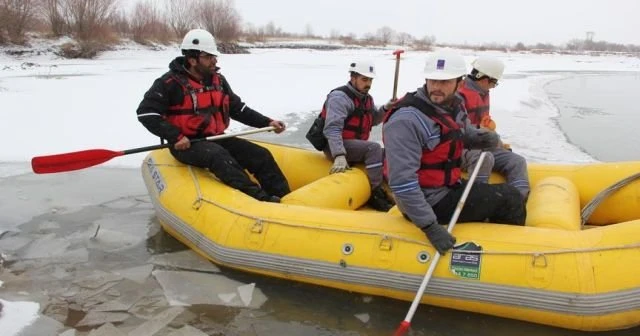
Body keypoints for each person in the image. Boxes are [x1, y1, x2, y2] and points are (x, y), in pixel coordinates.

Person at [382, 50, 526, 255]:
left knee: (501, 192)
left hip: (447, 187)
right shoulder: (407, 121)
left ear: (460, 83)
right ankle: (512, 254)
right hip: (428, 201)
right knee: (510, 199)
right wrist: (430, 227)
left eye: (445, 82)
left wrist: (482, 138)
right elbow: (403, 184)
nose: (437, 88)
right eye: (433, 80)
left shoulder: (454, 105)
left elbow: (461, 133)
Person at [136, 29, 290, 202]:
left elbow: (237, 109)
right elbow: (146, 113)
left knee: (260, 154)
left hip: (215, 137)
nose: (214, 61)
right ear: (192, 60)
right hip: (187, 144)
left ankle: (285, 198)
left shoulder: (219, 80)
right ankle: (259, 200)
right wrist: (175, 136)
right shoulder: (169, 83)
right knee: (219, 157)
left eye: (214, 57)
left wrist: (267, 122)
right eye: (208, 57)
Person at [306, 60, 394, 211]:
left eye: (370, 80)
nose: (368, 84)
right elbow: (332, 129)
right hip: (335, 145)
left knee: (387, 153)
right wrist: (339, 155)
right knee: (373, 148)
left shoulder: (367, 98)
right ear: (353, 78)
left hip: (354, 145)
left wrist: (386, 108)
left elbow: (372, 120)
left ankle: (394, 189)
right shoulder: (340, 98)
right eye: (364, 79)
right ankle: (375, 193)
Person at [458, 56, 530, 199]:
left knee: (517, 161)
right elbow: (455, 128)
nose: (492, 87)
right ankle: (477, 200)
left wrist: (498, 143)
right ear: (485, 79)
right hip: (460, 149)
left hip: (481, 144)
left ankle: (518, 200)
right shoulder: (458, 96)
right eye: (494, 83)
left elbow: (484, 128)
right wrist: (482, 130)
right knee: (484, 159)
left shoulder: (482, 93)